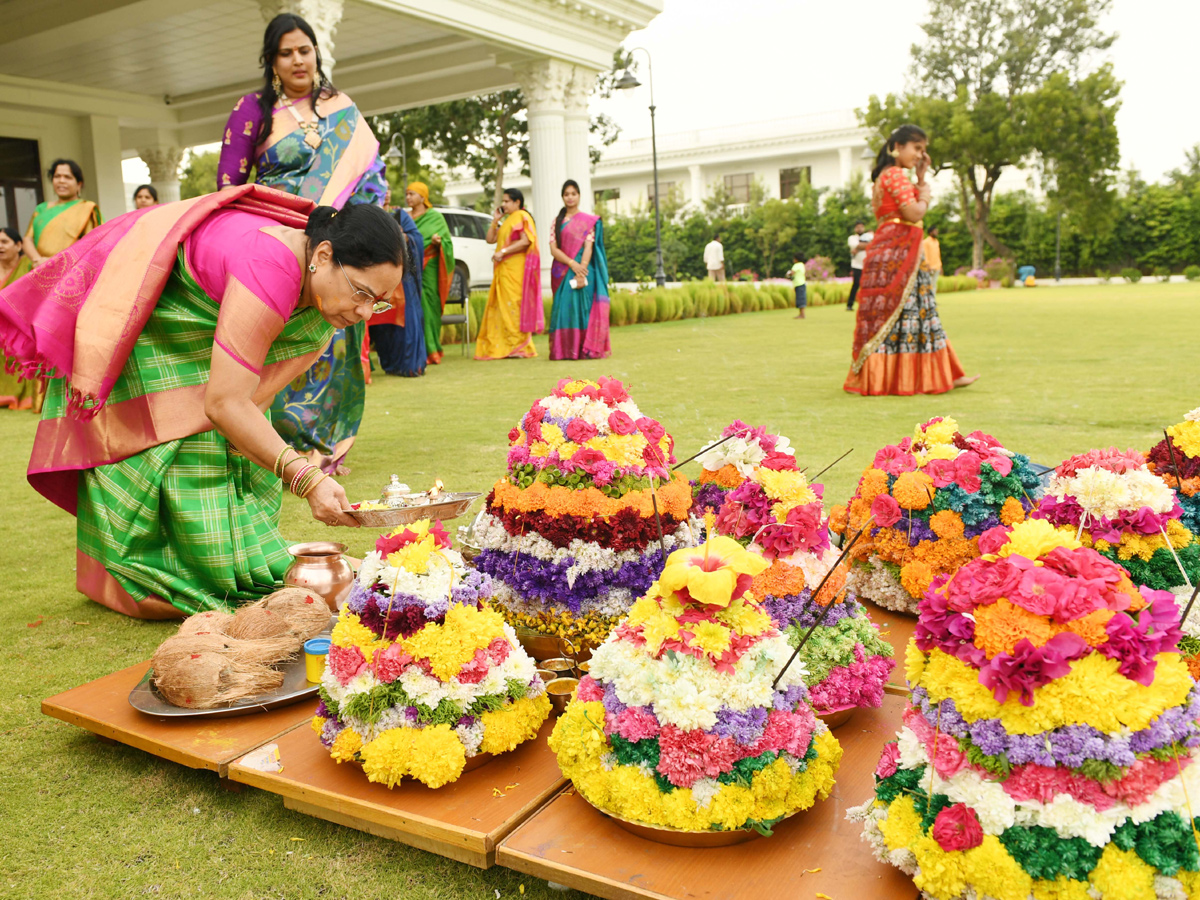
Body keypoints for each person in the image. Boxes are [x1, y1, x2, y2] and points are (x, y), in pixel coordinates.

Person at [1, 187, 403, 618]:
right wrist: (307, 479)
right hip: (151, 327)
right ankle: (135, 576)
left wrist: (257, 446)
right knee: (186, 450)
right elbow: (225, 403)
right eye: (360, 292)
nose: (364, 312)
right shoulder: (270, 267)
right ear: (322, 255)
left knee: (245, 448)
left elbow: (244, 399)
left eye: (376, 302)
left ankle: (238, 560)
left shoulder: (318, 283)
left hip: (209, 335)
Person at [218, 13, 389, 475]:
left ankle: (325, 445)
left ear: (317, 52)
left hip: (337, 245)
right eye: (285, 52)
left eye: (304, 50)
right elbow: (228, 188)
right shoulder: (253, 111)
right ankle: (274, 439)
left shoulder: (343, 111)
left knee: (334, 336)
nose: (297, 60)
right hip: (279, 241)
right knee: (277, 338)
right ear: (272, 62)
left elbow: (371, 179)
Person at [843, 124, 979, 396]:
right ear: (897, 146)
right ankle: (923, 377)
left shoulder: (886, 176)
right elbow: (914, 213)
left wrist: (920, 176)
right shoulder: (893, 174)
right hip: (898, 257)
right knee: (916, 316)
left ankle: (929, 375)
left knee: (914, 316)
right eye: (917, 148)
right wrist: (925, 191)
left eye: (923, 150)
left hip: (893, 253)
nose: (920, 154)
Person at [547, 179, 611, 360]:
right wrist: (571, 264)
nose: (570, 197)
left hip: (583, 269)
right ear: (562, 197)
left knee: (583, 308)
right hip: (562, 270)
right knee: (564, 309)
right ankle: (564, 350)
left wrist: (581, 268)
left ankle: (584, 349)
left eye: (573, 194)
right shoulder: (557, 222)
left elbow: (588, 246)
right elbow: (553, 249)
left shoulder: (587, 221)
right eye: (566, 194)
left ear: (579, 196)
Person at [476, 188, 540, 360]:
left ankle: (520, 346)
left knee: (515, 304)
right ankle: (507, 346)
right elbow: (490, 239)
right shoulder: (507, 220)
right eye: (503, 201)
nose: (503, 204)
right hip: (503, 268)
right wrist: (495, 221)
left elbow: (527, 240)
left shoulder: (522, 216)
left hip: (515, 268)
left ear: (517, 202)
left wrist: (503, 251)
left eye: (506, 201)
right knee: (503, 306)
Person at [368, 205, 426, 376]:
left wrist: (401, 236)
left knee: (407, 321)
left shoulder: (398, 214)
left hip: (403, 277)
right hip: (377, 277)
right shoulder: (369, 214)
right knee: (382, 324)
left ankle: (409, 365)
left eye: (387, 189)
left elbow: (417, 238)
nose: (385, 193)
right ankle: (391, 363)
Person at [405, 182, 455, 365]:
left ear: (423, 197)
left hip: (430, 265)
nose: (408, 197)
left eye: (412, 194)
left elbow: (448, 242)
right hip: (410, 267)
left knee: (429, 306)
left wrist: (439, 242)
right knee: (413, 307)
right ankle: (418, 350)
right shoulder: (405, 217)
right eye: (407, 194)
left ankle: (433, 350)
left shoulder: (435, 217)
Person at [22, 159, 101, 265]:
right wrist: (38, 260)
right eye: (57, 176)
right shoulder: (41, 208)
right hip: (39, 268)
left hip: (71, 269)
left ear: (79, 184)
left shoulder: (87, 208)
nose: (61, 181)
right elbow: (28, 239)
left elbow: (91, 243)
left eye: (67, 177)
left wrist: (59, 262)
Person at [0, 227, 36, 410]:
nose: (0, 246)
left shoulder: (30, 266)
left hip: (23, 325)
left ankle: (21, 396)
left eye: (4, 242)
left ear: (19, 245)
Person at [846, 221, 873, 310]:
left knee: (868, 285)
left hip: (867, 265)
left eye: (861, 227)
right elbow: (858, 245)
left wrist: (858, 248)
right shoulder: (852, 238)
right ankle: (850, 304)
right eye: (858, 227)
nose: (860, 229)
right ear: (855, 228)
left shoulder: (868, 236)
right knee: (856, 284)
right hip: (857, 265)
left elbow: (873, 243)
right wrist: (865, 245)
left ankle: (867, 304)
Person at [788, 253, 807, 320]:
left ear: (796, 259)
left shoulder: (796, 265)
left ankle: (802, 315)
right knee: (802, 298)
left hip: (799, 284)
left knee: (800, 299)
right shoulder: (802, 265)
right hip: (802, 283)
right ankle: (801, 314)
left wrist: (788, 274)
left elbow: (792, 273)